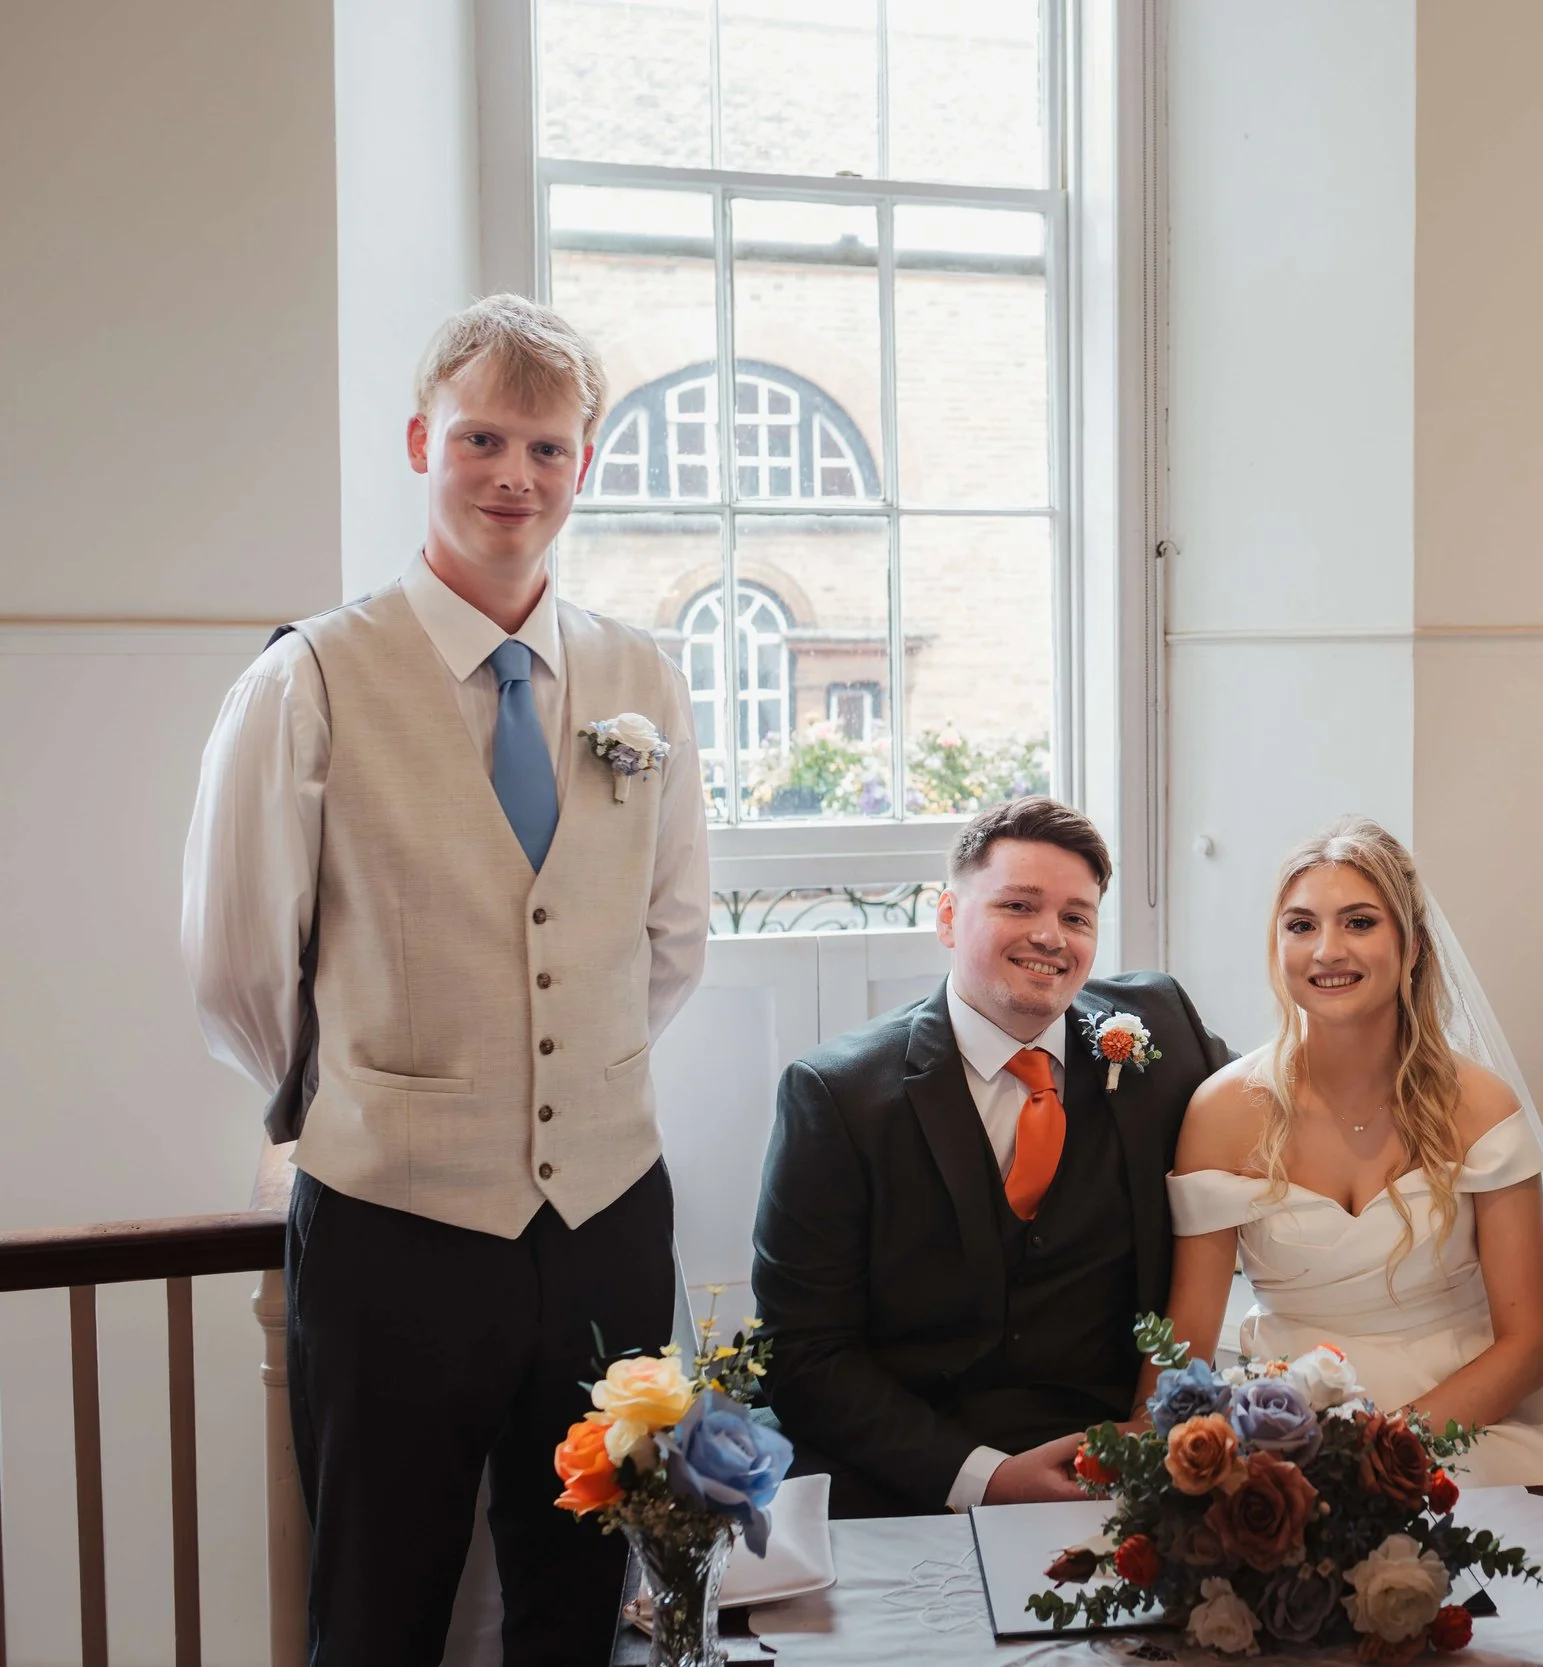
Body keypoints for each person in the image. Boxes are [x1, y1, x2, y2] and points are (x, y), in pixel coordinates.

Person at [182, 295, 708, 1663]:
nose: (513, 475)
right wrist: (393, 1085)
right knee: (379, 1599)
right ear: (424, 439)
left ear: (583, 462)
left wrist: (571, 1071)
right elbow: (241, 960)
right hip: (390, 1224)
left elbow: (672, 933)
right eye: (482, 437)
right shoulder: (312, 677)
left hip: (605, 1218)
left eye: (546, 445)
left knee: (579, 1597)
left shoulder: (644, 673)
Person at [752, 796, 1231, 1516]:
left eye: (1077, 916)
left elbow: (1287, 1108)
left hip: (1121, 1459)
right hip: (910, 1473)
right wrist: (984, 1477)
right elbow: (802, 1355)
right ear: (947, 917)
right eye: (1018, 904)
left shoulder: (1163, 1033)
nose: (1051, 936)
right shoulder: (837, 1096)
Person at [1162, 817, 1543, 1485]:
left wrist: (1382, 1455)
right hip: (1278, 1431)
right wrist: (1147, 1451)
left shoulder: (1480, 1107)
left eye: (1360, 922)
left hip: (1467, 1422)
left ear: (1414, 946)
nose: (1327, 950)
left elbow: (1529, 1346)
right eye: (1301, 925)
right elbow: (1188, 1338)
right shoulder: (1223, 1112)